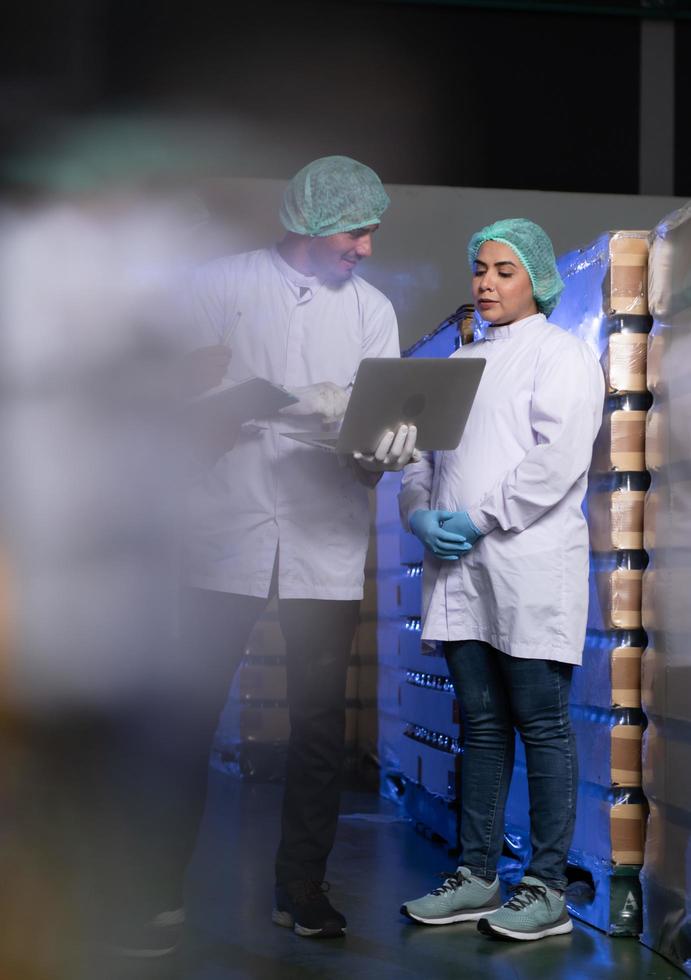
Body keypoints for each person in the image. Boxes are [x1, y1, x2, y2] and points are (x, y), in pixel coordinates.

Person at [159, 155, 417, 948]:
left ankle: (301, 888)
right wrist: (248, 403)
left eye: (372, 232)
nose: (366, 248)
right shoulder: (219, 287)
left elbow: (375, 420)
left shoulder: (372, 311)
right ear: (306, 222)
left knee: (317, 727)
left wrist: (384, 447)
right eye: (354, 231)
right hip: (224, 525)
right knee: (188, 716)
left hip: (323, 535)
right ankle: (155, 890)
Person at [398, 218, 604, 942]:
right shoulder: (455, 363)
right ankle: (477, 876)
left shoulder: (562, 355)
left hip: (524, 565)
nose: (485, 282)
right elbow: (418, 462)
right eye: (479, 269)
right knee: (481, 727)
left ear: (535, 278)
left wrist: (480, 518)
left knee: (541, 726)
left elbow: (556, 462)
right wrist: (420, 515)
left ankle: (544, 887)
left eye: (503, 270)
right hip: (457, 572)